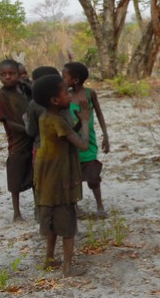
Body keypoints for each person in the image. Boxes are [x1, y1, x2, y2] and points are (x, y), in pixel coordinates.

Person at [32, 74, 91, 277]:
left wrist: (76, 124)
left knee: (51, 222)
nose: (70, 96)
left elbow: (65, 136)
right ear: (55, 100)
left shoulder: (45, 117)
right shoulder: (58, 120)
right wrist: (84, 122)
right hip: (61, 180)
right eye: (66, 93)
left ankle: (49, 258)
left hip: (47, 180)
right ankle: (67, 266)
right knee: (67, 224)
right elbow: (82, 145)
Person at [63, 62, 110, 216]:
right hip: (71, 142)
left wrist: (105, 135)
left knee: (93, 176)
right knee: (72, 176)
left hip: (88, 141)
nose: (62, 79)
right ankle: (75, 206)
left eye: (64, 76)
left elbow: (99, 113)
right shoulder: (65, 96)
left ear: (75, 80)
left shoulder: (90, 94)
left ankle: (100, 206)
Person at [0, 59, 34, 222]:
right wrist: (27, 130)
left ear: (19, 75)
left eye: (11, 74)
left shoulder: (25, 91)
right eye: (3, 75)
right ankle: (16, 212)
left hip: (33, 138)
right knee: (15, 175)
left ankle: (39, 207)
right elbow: (8, 122)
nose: (8, 77)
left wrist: (28, 86)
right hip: (17, 140)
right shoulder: (2, 95)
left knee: (35, 173)